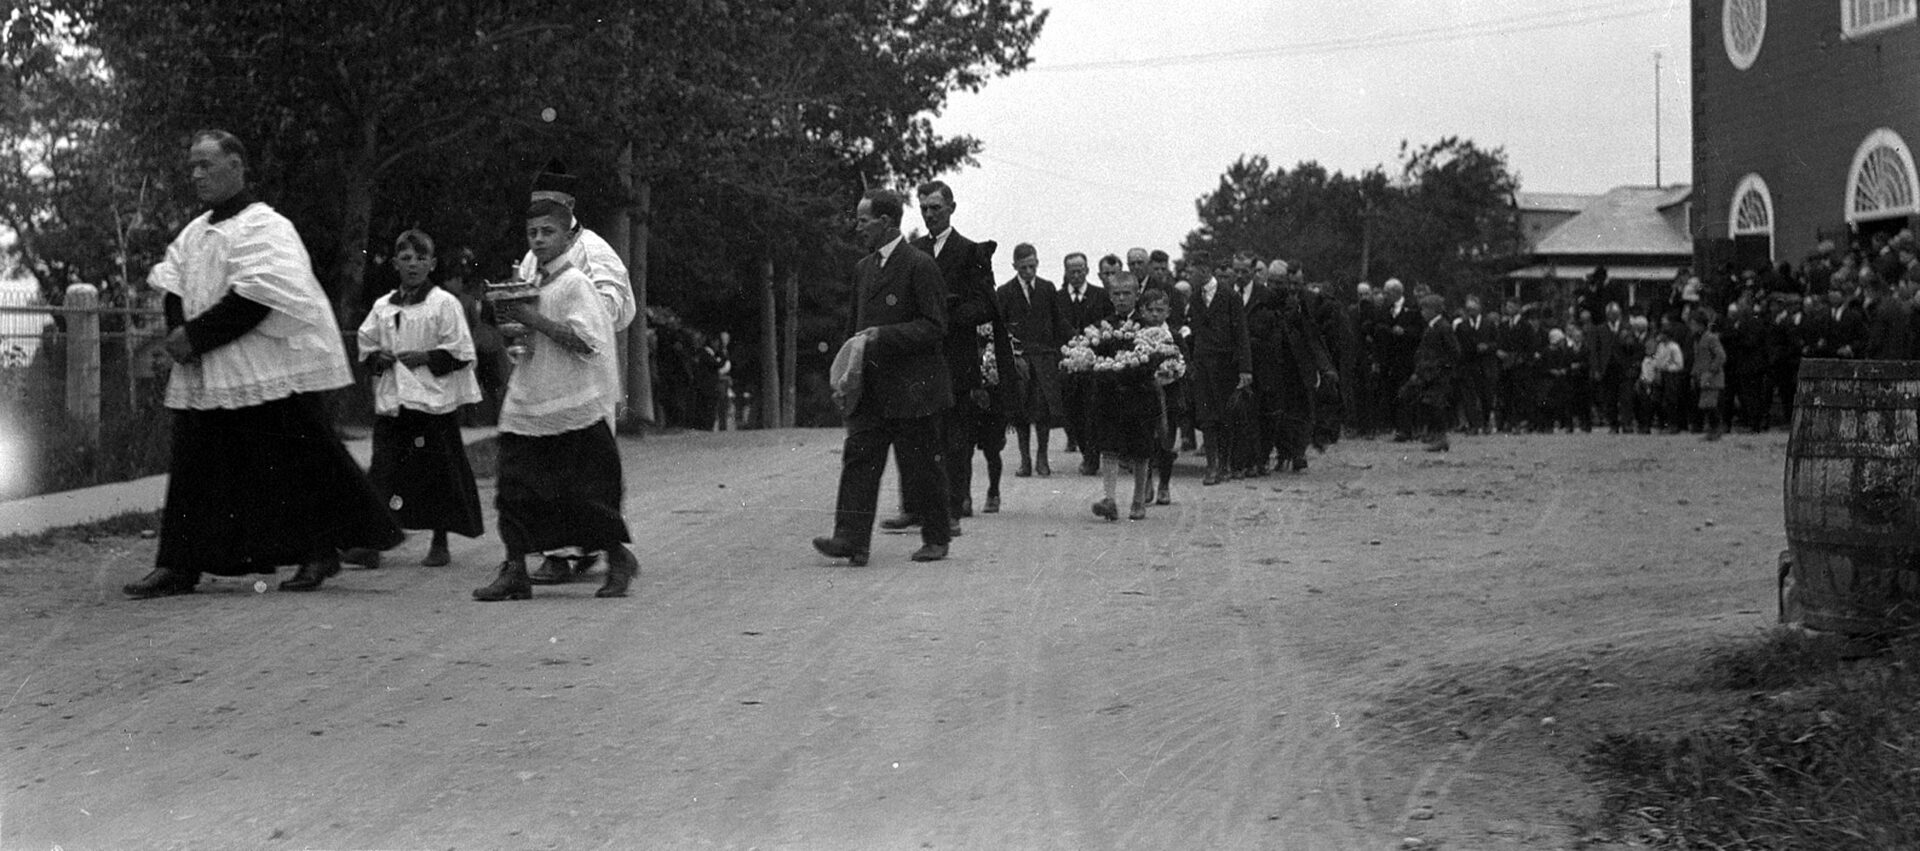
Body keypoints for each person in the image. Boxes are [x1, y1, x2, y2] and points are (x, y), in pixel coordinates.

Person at [124, 129, 401, 599]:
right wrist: (179, 334)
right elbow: (174, 284)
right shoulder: (194, 232)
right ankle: (179, 563)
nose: (196, 175)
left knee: (291, 461)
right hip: (205, 368)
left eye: (206, 164)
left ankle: (319, 552)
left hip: (262, 366)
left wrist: (196, 336)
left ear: (236, 165)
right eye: (192, 167)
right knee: (194, 464)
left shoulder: (266, 226)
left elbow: (258, 298)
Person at [472, 197, 640, 601]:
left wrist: (534, 319)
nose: (539, 240)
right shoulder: (531, 283)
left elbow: (587, 341)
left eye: (548, 232)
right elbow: (524, 335)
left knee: (583, 494)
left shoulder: (575, 284)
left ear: (567, 236)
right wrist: (509, 320)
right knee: (513, 487)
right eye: (532, 233)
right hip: (531, 396)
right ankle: (515, 568)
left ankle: (617, 558)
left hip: (572, 402)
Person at [813, 189, 953, 567]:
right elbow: (853, 330)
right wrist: (845, 376)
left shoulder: (920, 265)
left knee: (922, 467)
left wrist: (884, 335)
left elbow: (935, 326)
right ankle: (851, 539)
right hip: (871, 389)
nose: (857, 227)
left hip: (913, 390)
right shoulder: (863, 269)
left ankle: (936, 538)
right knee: (859, 461)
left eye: (863, 220)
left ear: (886, 222)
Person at [514, 162, 636, 585]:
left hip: (583, 375)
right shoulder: (533, 256)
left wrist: (559, 311)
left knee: (581, 471)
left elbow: (610, 311)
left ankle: (577, 551)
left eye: (550, 210)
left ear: (568, 207)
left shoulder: (594, 252)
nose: (540, 229)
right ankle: (568, 549)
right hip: (542, 370)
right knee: (544, 468)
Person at [352, 229, 485, 567]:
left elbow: (462, 351)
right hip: (395, 401)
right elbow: (366, 344)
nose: (413, 265)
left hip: (431, 402)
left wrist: (427, 357)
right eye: (406, 258)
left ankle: (440, 541)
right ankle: (373, 542)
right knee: (384, 468)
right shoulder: (383, 307)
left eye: (421, 258)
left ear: (432, 264)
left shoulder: (443, 304)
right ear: (395, 263)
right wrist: (379, 358)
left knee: (436, 470)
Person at [880, 179, 1008, 531]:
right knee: (913, 435)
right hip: (917, 358)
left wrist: (947, 316)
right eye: (924, 209)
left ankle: (953, 508)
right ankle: (914, 507)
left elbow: (987, 305)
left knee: (955, 437)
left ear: (951, 208)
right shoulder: (912, 251)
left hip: (956, 358)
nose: (930, 214)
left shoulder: (970, 252)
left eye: (936, 208)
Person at [1084, 273, 1162, 521]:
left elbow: (1156, 358)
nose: (1121, 299)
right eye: (1116, 294)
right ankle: (1110, 499)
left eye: (1126, 293)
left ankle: (1138, 500)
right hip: (1110, 395)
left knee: (1140, 448)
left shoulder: (1148, 327)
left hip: (1140, 394)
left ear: (1137, 295)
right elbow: (1093, 357)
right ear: (1109, 296)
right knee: (1109, 445)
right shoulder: (1102, 327)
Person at [995, 242, 1069, 477]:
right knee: (1021, 412)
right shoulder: (1005, 292)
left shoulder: (1047, 288)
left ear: (1037, 263)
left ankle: (1042, 458)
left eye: (1032, 266)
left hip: (1045, 359)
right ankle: (1025, 460)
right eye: (1023, 267)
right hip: (1020, 362)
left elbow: (1058, 322)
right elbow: (1000, 327)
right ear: (1014, 266)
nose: (1028, 271)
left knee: (1043, 411)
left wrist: (1073, 343)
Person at [1183, 250, 1253, 485]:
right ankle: (1211, 466)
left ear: (1204, 270)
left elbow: (1241, 333)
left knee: (1225, 416)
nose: (1188, 276)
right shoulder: (1195, 297)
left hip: (1225, 367)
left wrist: (1245, 369)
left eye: (1191, 271)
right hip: (1202, 366)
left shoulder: (1229, 296)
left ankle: (1225, 465)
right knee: (1206, 416)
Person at [1057, 252, 1112, 475]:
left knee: (1093, 411)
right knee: (1073, 412)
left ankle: (1093, 457)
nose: (1077, 275)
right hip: (1068, 365)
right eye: (1072, 271)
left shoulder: (1100, 295)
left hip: (1094, 364)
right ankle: (1085, 452)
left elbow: (1107, 324)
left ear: (1087, 271)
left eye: (1080, 270)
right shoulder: (1058, 298)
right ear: (1066, 272)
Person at [1138, 288, 1184, 505]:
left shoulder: (1174, 336)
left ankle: (1164, 484)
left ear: (1168, 312)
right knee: (1145, 440)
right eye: (1150, 310)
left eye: (1160, 310)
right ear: (1142, 311)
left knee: (1166, 441)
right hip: (1145, 395)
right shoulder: (1137, 335)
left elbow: (1186, 361)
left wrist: (1175, 371)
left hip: (1169, 394)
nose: (1155, 314)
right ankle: (1146, 483)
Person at [1399, 294, 1460, 452]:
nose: (1422, 312)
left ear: (1433, 310)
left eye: (1424, 309)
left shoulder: (1443, 327)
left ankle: (1441, 437)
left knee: (1434, 403)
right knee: (1427, 403)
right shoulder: (1432, 326)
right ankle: (1434, 435)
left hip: (1437, 374)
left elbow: (1454, 351)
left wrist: (1441, 368)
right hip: (1428, 373)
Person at [1690, 309, 1727, 441]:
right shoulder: (1698, 340)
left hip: (1712, 377)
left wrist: (1711, 370)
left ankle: (1717, 429)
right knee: (1705, 404)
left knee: (1710, 404)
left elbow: (1721, 356)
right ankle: (1713, 430)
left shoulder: (1711, 338)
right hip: (1703, 377)